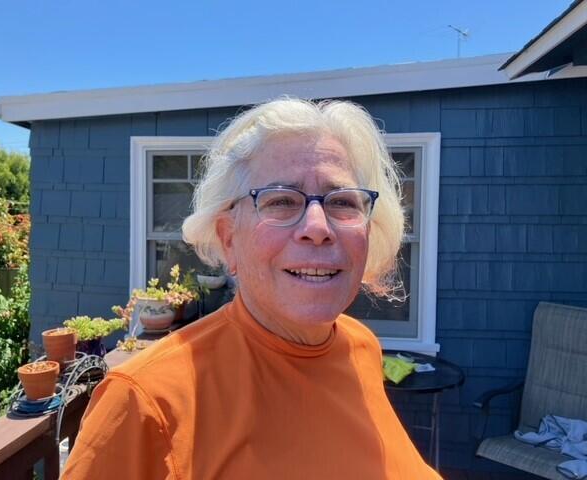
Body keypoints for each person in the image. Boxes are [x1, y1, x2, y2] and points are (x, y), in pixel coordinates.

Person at [61, 98, 441, 479]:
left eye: (342, 202)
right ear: (229, 240)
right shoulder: (145, 403)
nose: (318, 227)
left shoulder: (361, 347)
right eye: (280, 201)